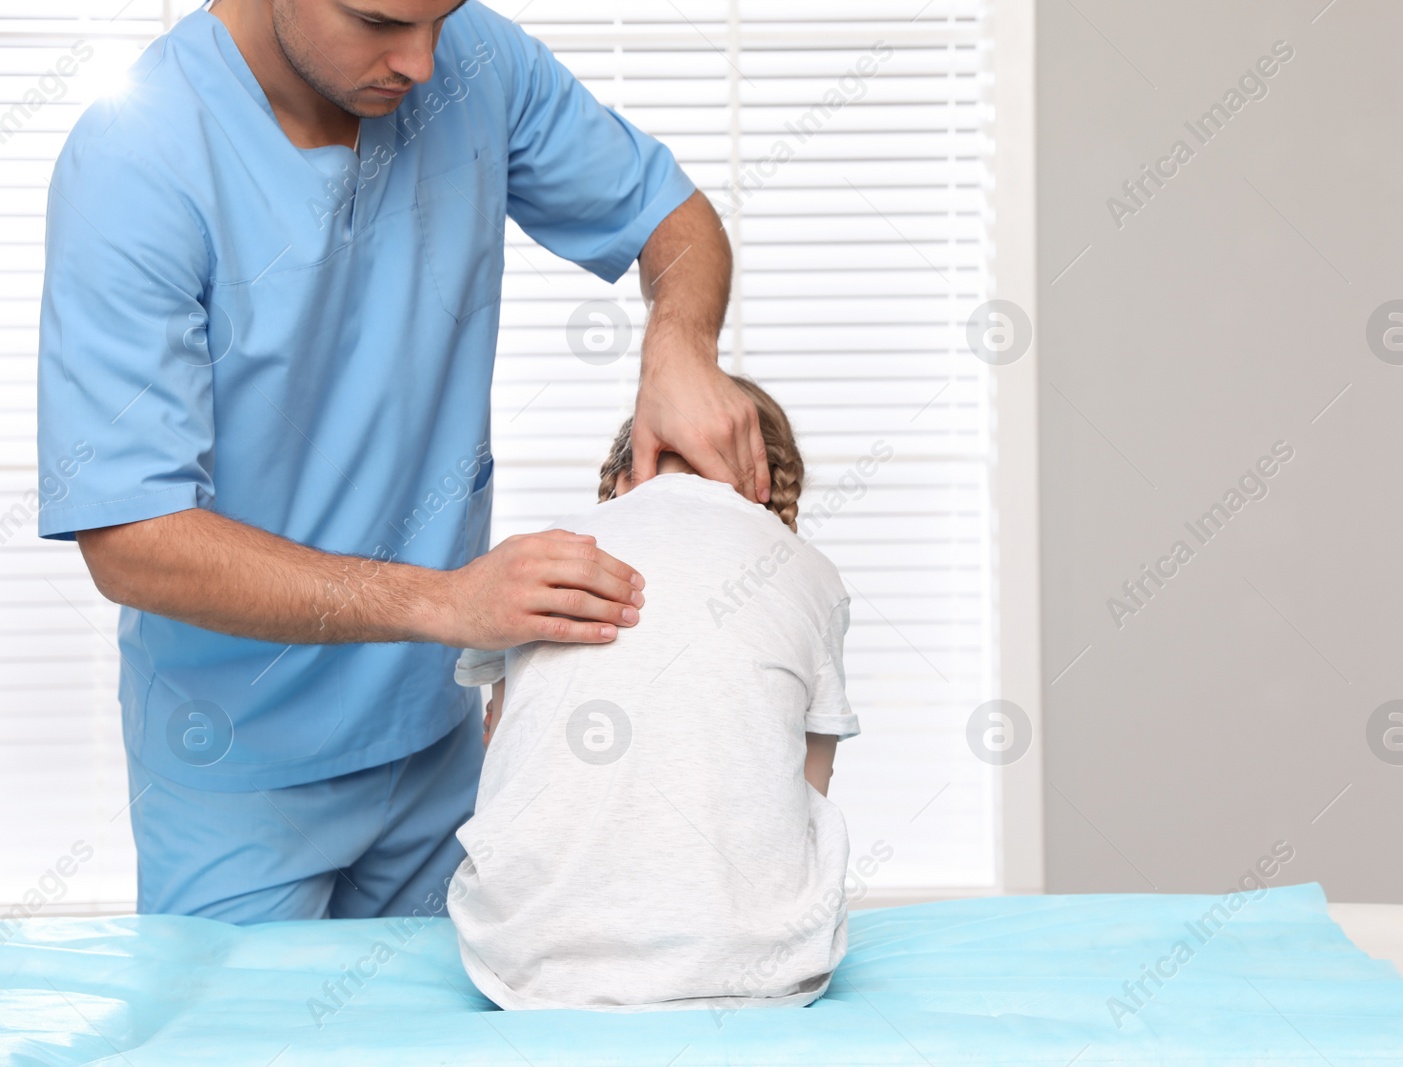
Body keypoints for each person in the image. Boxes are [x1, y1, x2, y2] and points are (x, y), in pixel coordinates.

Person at [34, 0, 770, 923]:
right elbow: (131, 536)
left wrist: (680, 346)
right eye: (380, 21)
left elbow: (674, 217)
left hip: (435, 742)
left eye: (442, 15)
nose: (422, 62)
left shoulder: (476, 59)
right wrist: (449, 601)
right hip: (235, 763)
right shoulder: (133, 160)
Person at [449, 378, 858, 1011]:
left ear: (622, 475)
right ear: (764, 486)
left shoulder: (536, 556)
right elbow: (809, 786)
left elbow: (504, 743)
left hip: (524, 962)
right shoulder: (809, 572)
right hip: (758, 969)